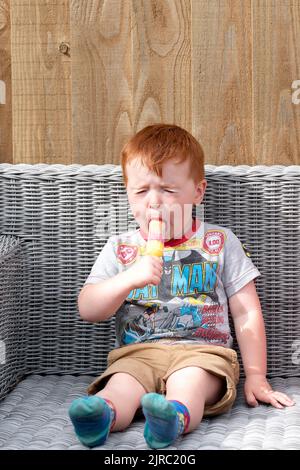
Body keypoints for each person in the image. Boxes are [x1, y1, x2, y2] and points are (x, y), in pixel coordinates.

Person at [69, 124, 295, 449]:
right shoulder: (121, 247)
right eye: (141, 191)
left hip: (203, 352)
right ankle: (101, 416)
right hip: (139, 352)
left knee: (189, 381)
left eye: (168, 190)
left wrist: (257, 375)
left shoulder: (219, 242)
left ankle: (171, 419)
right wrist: (129, 278)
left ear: (197, 192)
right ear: (128, 193)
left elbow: (246, 311)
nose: (155, 203)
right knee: (122, 383)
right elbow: (88, 308)